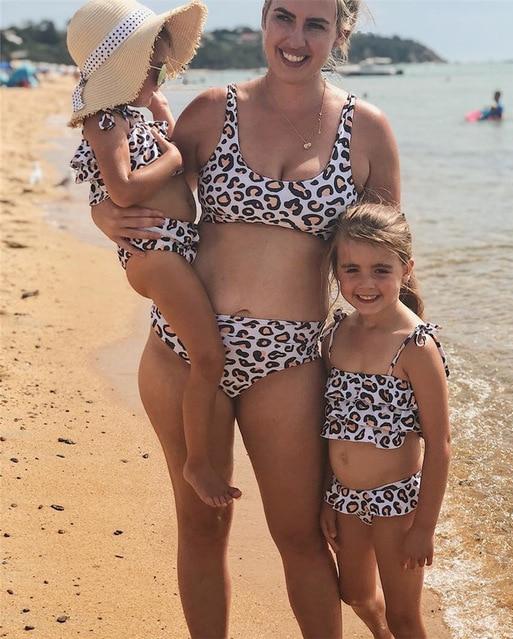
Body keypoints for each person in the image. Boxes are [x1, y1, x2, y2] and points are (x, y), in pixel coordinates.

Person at [91, 0, 401, 636]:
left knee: (301, 534)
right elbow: (141, 189)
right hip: (185, 343)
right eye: (282, 17)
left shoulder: (367, 130)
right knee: (202, 523)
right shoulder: (212, 110)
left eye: (315, 24)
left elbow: (390, 260)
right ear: (263, 22)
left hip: (289, 358)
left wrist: (397, 369)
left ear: (338, 34)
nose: (295, 37)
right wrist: (103, 216)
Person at [67, 0, 241, 509]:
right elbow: (122, 191)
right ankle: (198, 462)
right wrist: (173, 155)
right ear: (123, 67)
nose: (161, 75)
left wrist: (160, 120)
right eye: (153, 66)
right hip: (157, 254)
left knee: (204, 356)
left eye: (163, 65)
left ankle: (197, 457)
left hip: (168, 248)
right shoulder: (104, 121)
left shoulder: (130, 115)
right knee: (209, 358)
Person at [319, 204, 450, 639]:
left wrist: (425, 527)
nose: (365, 283)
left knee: (405, 615)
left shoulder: (415, 345)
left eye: (381, 270)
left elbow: (440, 442)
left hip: (398, 504)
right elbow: (330, 428)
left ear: (405, 269)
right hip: (346, 497)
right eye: (352, 269)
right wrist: (327, 495)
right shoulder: (335, 334)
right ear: (337, 272)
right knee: (354, 593)